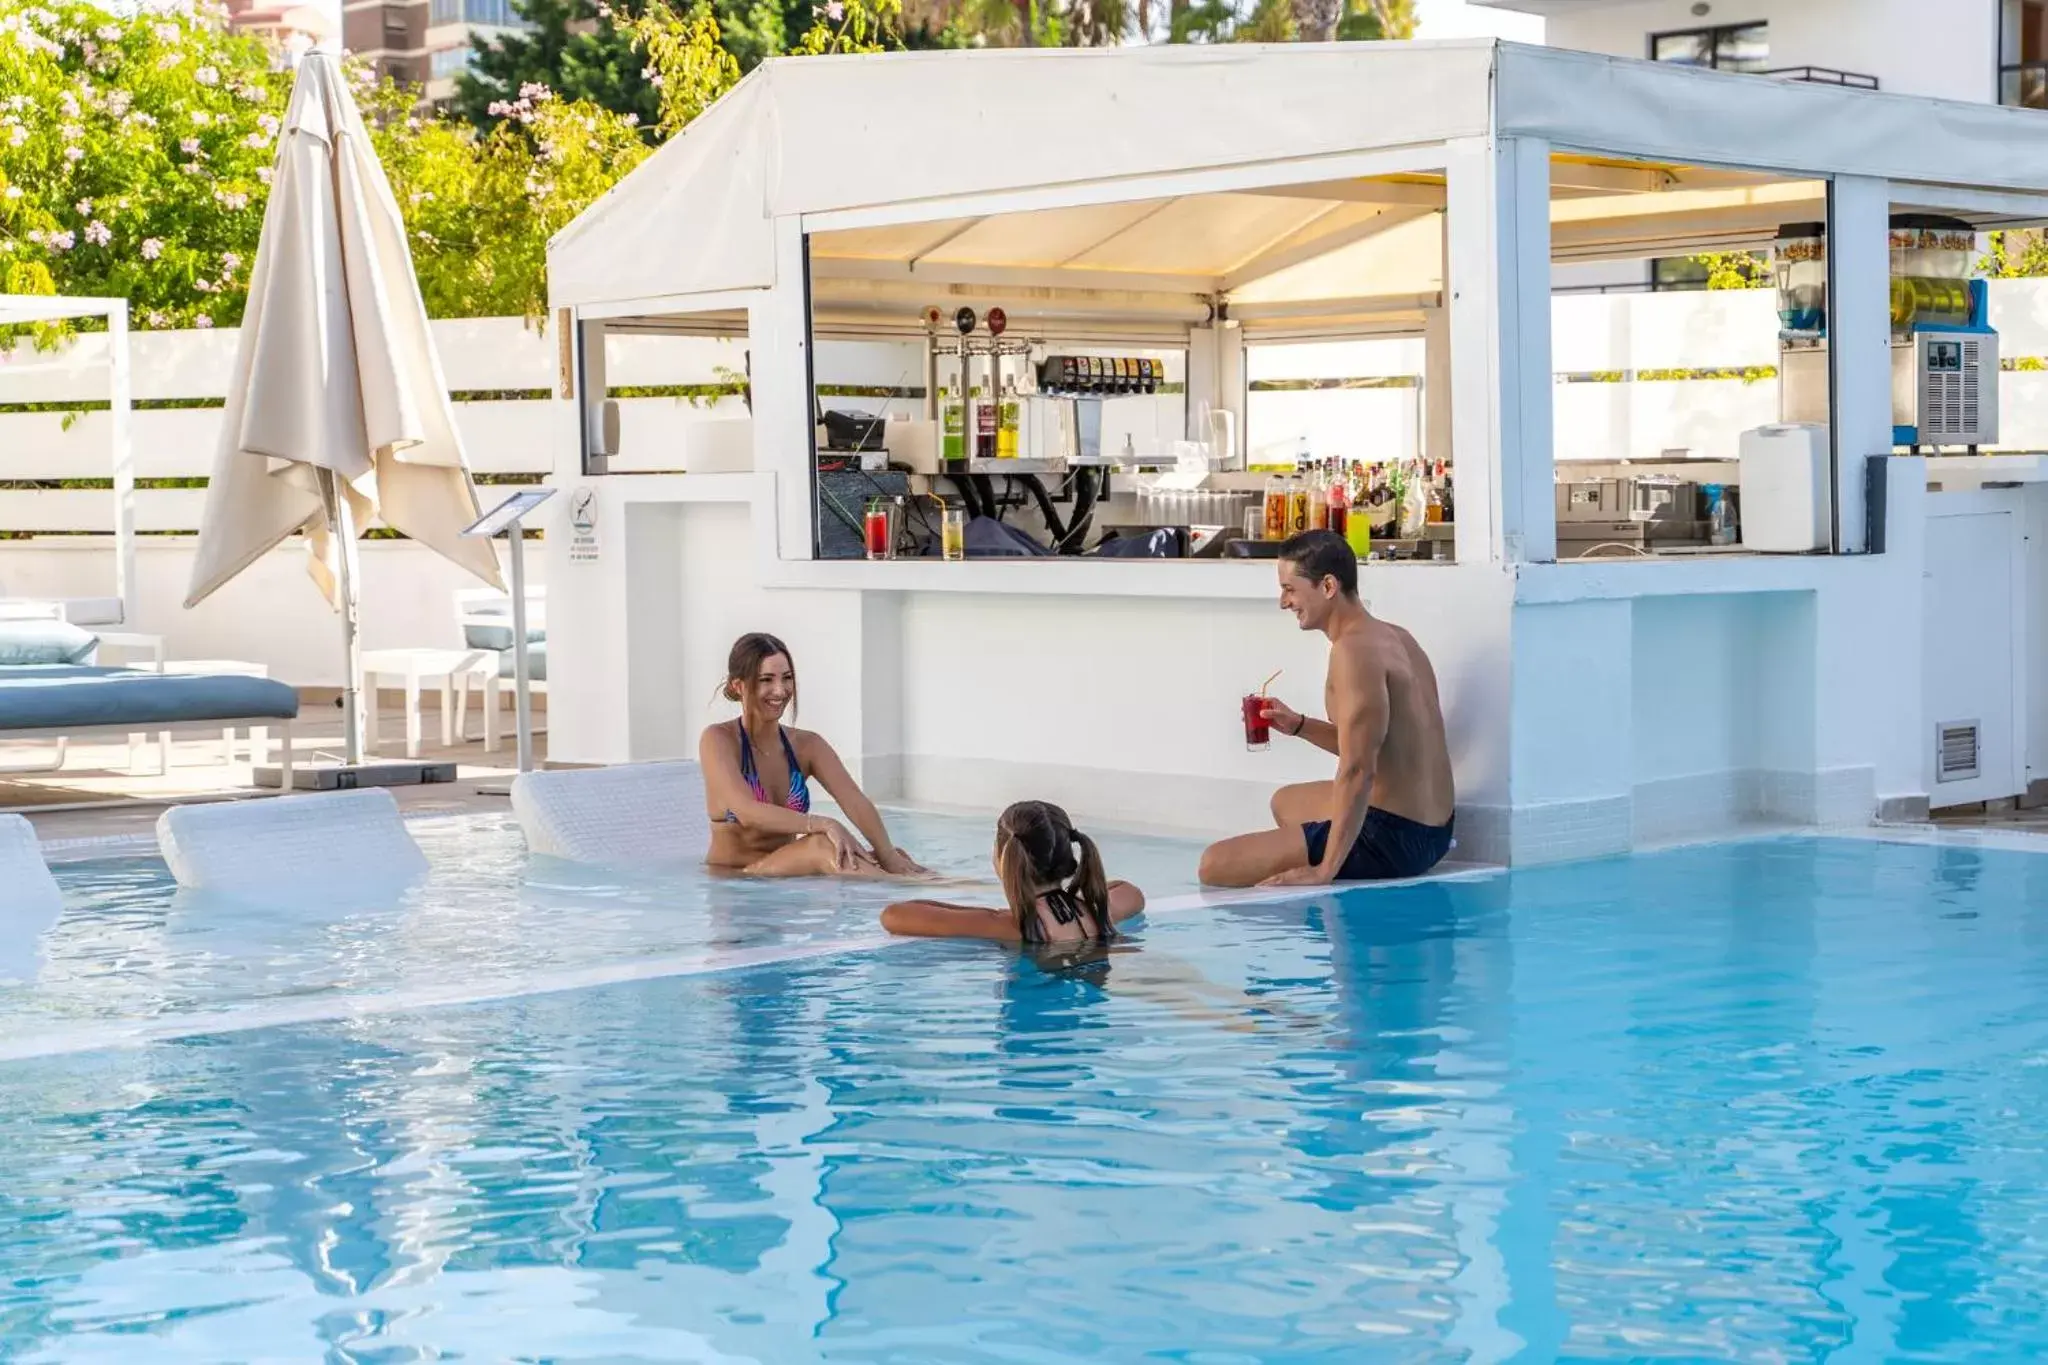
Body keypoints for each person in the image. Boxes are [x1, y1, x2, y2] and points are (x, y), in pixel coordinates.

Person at [1198, 530, 1455, 888]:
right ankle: (1326, 848)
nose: (1283, 602)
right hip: (1436, 831)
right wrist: (1299, 725)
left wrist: (1325, 870)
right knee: (1285, 803)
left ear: (1328, 586)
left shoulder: (1352, 653)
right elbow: (1373, 743)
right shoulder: (1398, 637)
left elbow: (1358, 768)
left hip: (1393, 838)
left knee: (1214, 865)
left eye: (1290, 589)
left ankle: (1332, 856)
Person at [701, 632, 927, 877]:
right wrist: (824, 824)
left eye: (787, 678)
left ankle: (947, 891)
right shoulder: (719, 740)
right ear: (738, 685)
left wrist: (889, 856)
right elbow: (746, 811)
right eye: (766, 680)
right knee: (822, 844)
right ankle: (920, 893)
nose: (780, 690)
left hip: (786, 876)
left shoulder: (806, 745)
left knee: (891, 855)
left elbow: (854, 800)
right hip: (737, 880)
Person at [880, 800, 1146, 943]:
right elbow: (1131, 892)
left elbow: (893, 916)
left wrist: (988, 914)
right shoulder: (1098, 912)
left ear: (1002, 859)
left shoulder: (1005, 926)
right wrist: (1075, 900)